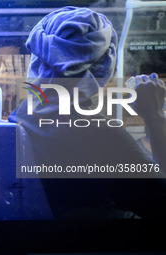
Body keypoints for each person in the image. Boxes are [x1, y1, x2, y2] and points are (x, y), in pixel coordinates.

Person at [9, 7, 166, 219]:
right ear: (103, 68)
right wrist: (154, 116)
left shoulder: (19, 118)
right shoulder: (101, 136)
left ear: (37, 60)